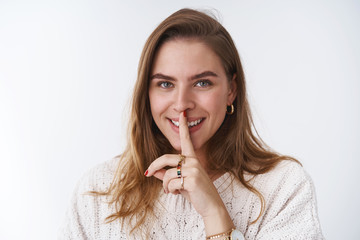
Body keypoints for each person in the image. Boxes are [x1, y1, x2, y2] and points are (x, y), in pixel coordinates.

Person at [59, 8, 324, 240]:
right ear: (146, 94)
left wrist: (215, 213)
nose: (181, 103)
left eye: (202, 83)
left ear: (231, 90)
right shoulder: (99, 191)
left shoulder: (283, 187)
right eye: (165, 84)